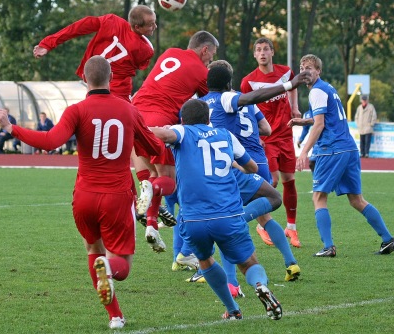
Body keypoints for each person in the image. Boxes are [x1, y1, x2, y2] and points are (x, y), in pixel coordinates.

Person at [0, 56, 164, 330]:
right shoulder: (128, 110)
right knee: (121, 266)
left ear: (85, 80)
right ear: (110, 78)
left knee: (93, 249)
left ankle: (115, 317)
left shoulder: (77, 110)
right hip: (117, 196)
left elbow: (50, 142)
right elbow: (154, 148)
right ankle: (109, 272)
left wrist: (11, 128)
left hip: (83, 197)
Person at [151, 99, 283, 321]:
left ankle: (232, 310)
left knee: (205, 261)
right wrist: (234, 166)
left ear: (183, 119)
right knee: (249, 262)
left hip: (194, 219)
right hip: (228, 215)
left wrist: (140, 128)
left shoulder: (181, 131)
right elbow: (252, 167)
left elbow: (164, 135)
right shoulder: (225, 135)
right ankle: (259, 284)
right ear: (209, 119)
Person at [198, 63, 308, 290]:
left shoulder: (209, 102)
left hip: (237, 165)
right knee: (265, 218)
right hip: (259, 160)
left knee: (229, 222)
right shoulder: (239, 100)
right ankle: (291, 263)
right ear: (230, 82)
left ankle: (228, 282)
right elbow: (266, 130)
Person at [296, 54, 394, 257]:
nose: (304, 72)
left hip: (333, 149)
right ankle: (388, 240)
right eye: (301, 68)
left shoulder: (316, 91)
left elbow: (320, 124)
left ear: (318, 71)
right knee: (356, 199)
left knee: (318, 196)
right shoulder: (328, 89)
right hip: (349, 148)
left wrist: (304, 151)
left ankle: (328, 247)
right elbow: (326, 118)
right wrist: (303, 122)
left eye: (309, 68)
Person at [131, 30, 219, 253]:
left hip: (134, 113)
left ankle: (151, 226)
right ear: (205, 49)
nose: (211, 61)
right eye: (212, 55)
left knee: (150, 177)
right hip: (158, 119)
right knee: (168, 182)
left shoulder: (170, 52)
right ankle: (146, 200)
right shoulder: (201, 71)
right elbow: (212, 100)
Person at [241, 37, 302, 248]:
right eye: (258, 50)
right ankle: (261, 222)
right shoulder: (248, 81)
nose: (263, 52)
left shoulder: (285, 72)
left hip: (286, 134)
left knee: (290, 181)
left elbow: (293, 86)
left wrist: (294, 107)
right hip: (266, 138)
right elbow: (245, 108)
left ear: (272, 52)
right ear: (255, 55)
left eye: (266, 49)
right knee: (272, 181)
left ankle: (292, 228)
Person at [33, 5, 157, 101]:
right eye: (151, 25)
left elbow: (79, 27)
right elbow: (140, 65)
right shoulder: (146, 49)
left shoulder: (111, 21)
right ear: (137, 27)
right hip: (119, 92)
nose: (155, 27)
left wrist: (48, 43)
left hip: (93, 84)